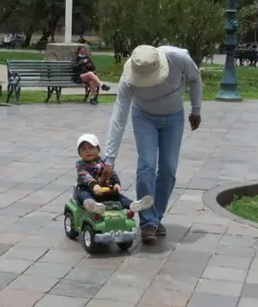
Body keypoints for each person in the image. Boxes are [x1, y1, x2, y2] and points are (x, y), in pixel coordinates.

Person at [102, 45, 202, 243]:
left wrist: (196, 109)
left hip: (174, 118)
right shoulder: (128, 79)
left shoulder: (179, 58)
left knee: (168, 169)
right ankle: (148, 221)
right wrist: (109, 159)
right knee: (146, 165)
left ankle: (156, 216)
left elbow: (195, 78)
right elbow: (118, 118)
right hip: (144, 117)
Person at [74, 134, 153, 215]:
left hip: (103, 188)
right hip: (87, 188)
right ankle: (93, 206)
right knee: (84, 195)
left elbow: (111, 172)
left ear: (98, 150)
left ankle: (132, 205)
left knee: (118, 196)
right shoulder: (80, 164)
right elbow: (84, 175)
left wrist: (116, 183)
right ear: (79, 153)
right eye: (84, 149)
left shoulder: (103, 161)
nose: (87, 151)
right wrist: (94, 185)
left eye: (91, 148)